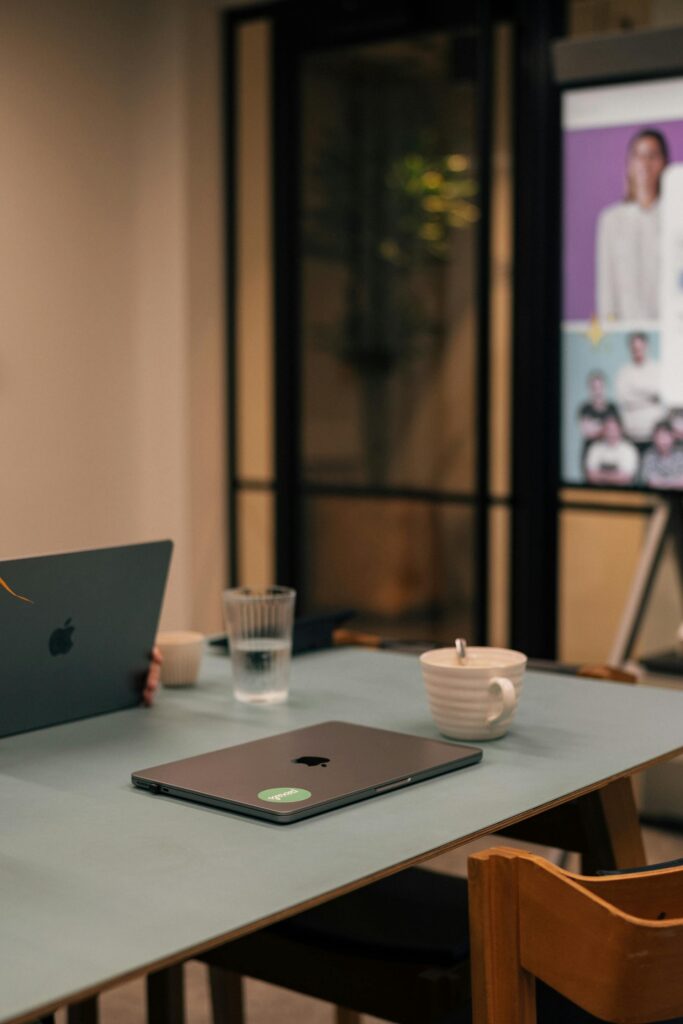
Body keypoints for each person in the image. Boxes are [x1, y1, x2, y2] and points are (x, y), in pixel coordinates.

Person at [595, 128, 668, 321]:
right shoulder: (611, 220)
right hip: (626, 336)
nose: (645, 163)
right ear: (630, 163)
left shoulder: (675, 216)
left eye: (652, 156)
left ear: (664, 163)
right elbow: (607, 288)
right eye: (638, 156)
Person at [614, 331, 665, 449]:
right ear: (630, 348)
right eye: (634, 348)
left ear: (646, 346)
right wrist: (649, 397)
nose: (637, 351)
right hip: (631, 434)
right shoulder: (624, 372)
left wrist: (635, 395)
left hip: (655, 436)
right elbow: (624, 400)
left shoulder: (657, 369)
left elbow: (660, 395)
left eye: (640, 348)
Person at [577, 370, 618, 469]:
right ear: (589, 389)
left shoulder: (613, 408)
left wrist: (596, 427)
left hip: (610, 455)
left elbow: (617, 432)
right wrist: (606, 428)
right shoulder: (585, 409)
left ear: (605, 388)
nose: (598, 391)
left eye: (600, 387)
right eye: (594, 388)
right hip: (589, 455)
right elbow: (587, 432)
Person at [585, 411, 639, 486]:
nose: (611, 433)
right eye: (608, 429)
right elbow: (590, 475)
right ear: (603, 430)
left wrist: (600, 475)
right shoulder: (595, 448)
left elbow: (626, 478)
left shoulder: (629, 449)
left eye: (614, 429)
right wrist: (616, 476)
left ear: (620, 430)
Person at [640, 420, 683, 489]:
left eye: (667, 436)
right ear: (654, 438)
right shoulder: (649, 455)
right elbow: (651, 482)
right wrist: (674, 481)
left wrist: (662, 482)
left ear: (673, 438)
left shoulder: (681, 455)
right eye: (660, 437)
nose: (664, 441)